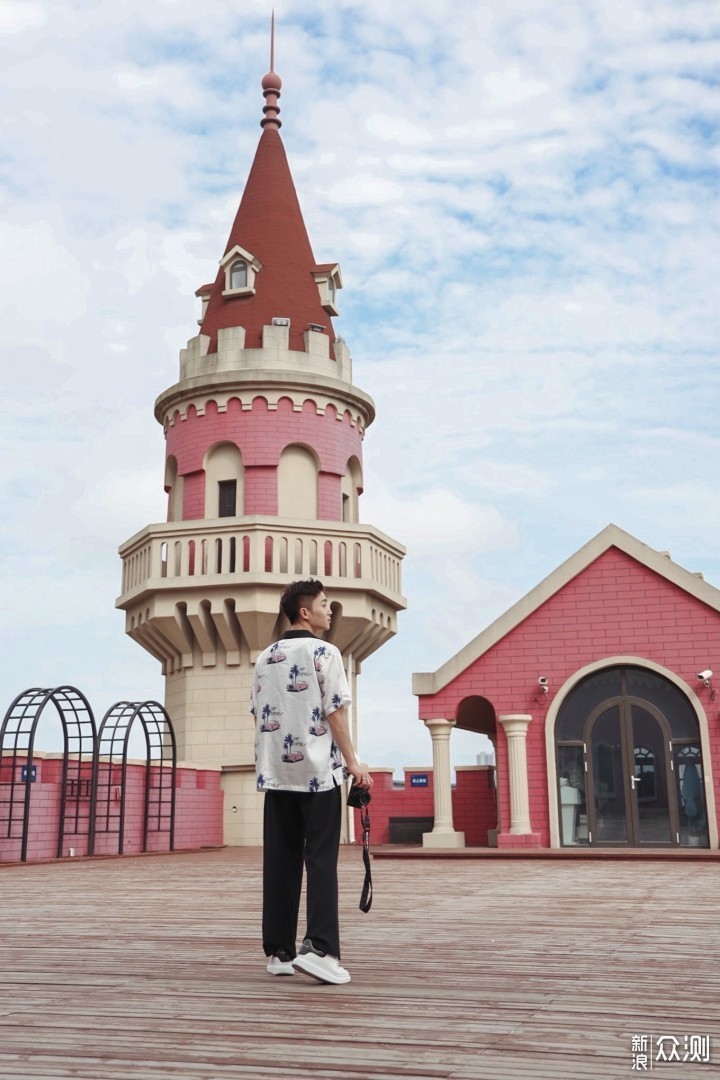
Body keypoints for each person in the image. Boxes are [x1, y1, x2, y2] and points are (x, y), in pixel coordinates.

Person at [251, 579, 373, 985]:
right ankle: (320, 947)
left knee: (280, 861)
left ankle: (280, 952)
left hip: (276, 774)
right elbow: (335, 711)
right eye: (324, 604)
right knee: (320, 860)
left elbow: (260, 711)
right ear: (305, 611)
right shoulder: (325, 652)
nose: (330, 610)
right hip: (318, 774)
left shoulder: (265, 656)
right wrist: (354, 762)